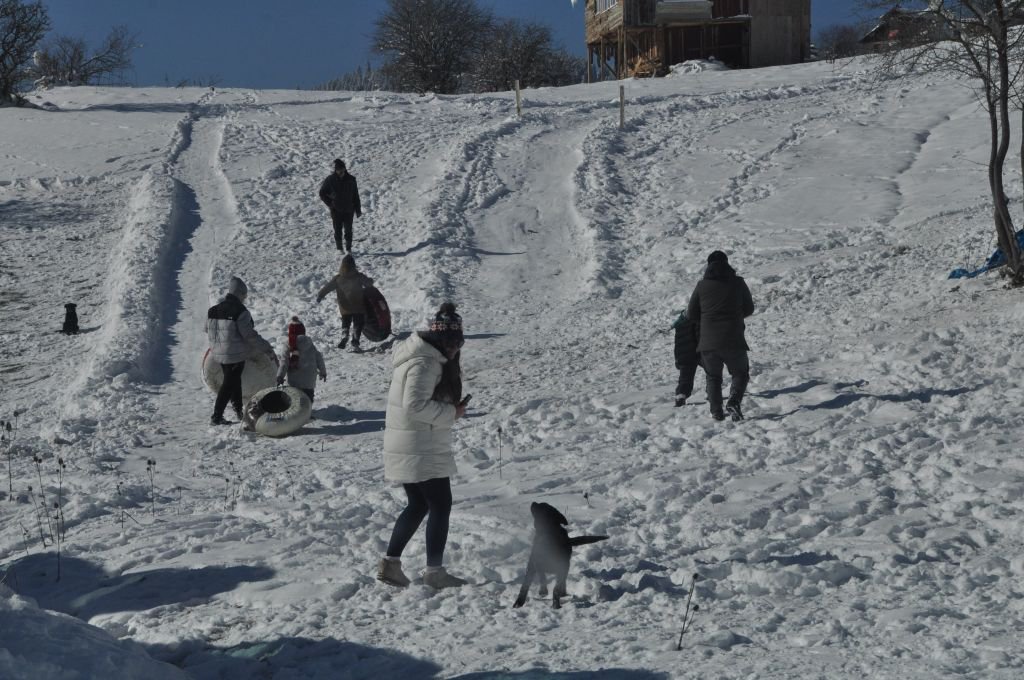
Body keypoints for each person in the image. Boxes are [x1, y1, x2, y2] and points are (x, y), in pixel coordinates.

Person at [377, 303, 468, 590]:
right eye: (449, 343)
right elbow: (414, 405)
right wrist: (451, 414)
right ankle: (434, 572)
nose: (453, 349)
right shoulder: (425, 363)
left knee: (418, 504)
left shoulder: (421, 357)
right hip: (420, 445)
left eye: (458, 343)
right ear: (437, 339)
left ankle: (391, 564)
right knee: (441, 504)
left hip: (412, 443)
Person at [686, 251, 754, 421]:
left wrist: (707, 319)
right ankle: (734, 401)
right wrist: (736, 315)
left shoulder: (702, 286)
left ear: (708, 266)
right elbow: (749, 308)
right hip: (734, 339)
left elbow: (691, 314)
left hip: (708, 342)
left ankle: (716, 412)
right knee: (740, 373)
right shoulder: (738, 283)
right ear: (727, 263)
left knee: (713, 376)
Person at [206, 276, 277, 426]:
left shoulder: (213, 310)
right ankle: (216, 417)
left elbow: (206, 329)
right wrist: (267, 349)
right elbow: (249, 335)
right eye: (244, 295)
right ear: (240, 293)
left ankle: (238, 411)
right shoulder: (240, 311)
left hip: (217, 353)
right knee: (228, 385)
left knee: (234, 381)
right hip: (234, 355)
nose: (245, 298)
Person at [315, 254, 374, 351]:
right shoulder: (358, 276)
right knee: (358, 323)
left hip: (344, 307)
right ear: (353, 265)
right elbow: (368, 283)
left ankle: (345, 334)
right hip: (358, 305)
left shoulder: (338, 278)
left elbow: (327, 287)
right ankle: (355, 340)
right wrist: (370, 280)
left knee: (346, 321)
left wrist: (320, 295)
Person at [275, 316, 327, 404]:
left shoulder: (288, 345)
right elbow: (319, 358)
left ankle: (297, 415)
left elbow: (284, 362)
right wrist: (323, 372)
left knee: (293, 400)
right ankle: (308, 412)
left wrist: (280, 376)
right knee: (308, 399)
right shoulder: (309, 343)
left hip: (294, 380)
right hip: (309, 379)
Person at [318, 158, 362, 253]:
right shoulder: (330, 180)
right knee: (337, 230)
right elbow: (322, 193)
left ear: (345, 169)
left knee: (348, 230)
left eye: (343, 170)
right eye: (339, 170)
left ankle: (349, 248)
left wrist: (358, 209)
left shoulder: (351, 179)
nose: (341, 172)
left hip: (349, 209)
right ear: (336, 170)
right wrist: (330, 203)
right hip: (336, 210)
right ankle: (339, 248)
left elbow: (355, 195)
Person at [671, 309, 700, 407]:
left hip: (682, 355)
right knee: (711, 371)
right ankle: (711, 392)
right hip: (695, 352)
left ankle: (680, 396)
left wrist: (677, 359)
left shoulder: (679, 324)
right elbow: (698, 336)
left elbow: (677, 344)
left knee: (685, 378)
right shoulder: (696, 321)